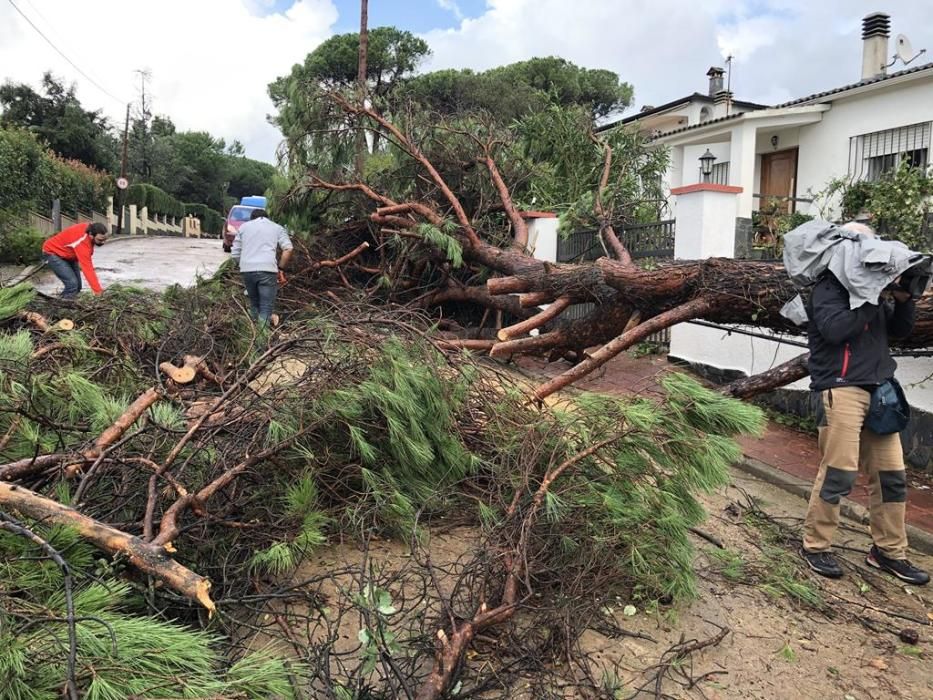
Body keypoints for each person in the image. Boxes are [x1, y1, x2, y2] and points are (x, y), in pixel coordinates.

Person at [801, 222, 929, 585]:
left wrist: (906, 298)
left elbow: (900, 332)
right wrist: (870, 293)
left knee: (892, 477)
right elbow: (835, 330)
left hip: (880, 392)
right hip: (841, 389)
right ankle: (815, 545)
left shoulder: (875, 291)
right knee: (838, 472)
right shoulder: (828, 287)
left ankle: (889, 553)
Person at [230, 208, 292, 325]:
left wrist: (243, 265)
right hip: (268, 271)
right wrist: (281, 268)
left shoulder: (244, 227)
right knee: (266, 307)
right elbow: (288, 248)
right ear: (267, 218)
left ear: (251, 219)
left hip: (247, 270)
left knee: (254, 303)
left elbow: (235, 253)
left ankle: (251, 333)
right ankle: (261, 340)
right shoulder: (276, 227)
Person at [41, 221, 107, 298]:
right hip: (52, 252)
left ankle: (65, 300)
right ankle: (64, 306)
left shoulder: (92, 228)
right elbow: (88, 269)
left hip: (69, 255)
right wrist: (98, 291)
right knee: (72, 285)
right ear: (91, 235)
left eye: (105, 239)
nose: (103, 242)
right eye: (100, 240)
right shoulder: (82, 243)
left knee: (78, 286)